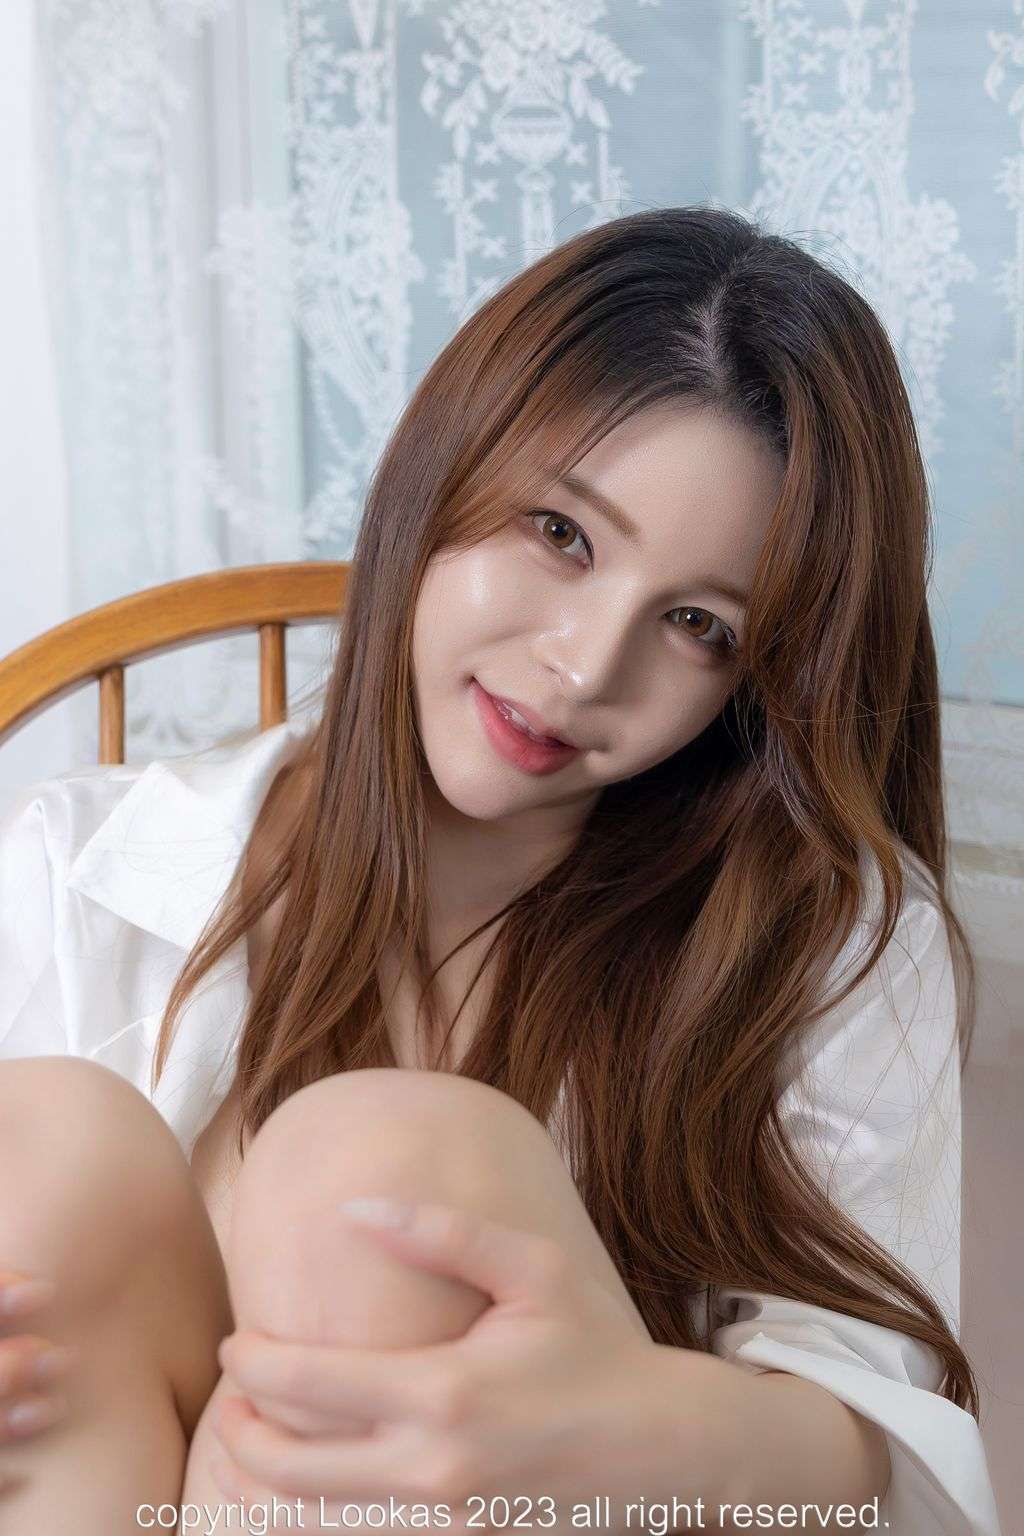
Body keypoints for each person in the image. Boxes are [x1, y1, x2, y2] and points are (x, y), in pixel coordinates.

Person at [0, 206, 1003, 1535]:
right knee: (50, 1151)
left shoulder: (819, 938)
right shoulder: (69, 863)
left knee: (389, 1167)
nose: (584, 668)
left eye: (698, 626)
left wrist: (624, 1425)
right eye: (561, 534)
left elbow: (881, 1462)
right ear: (442, 470)